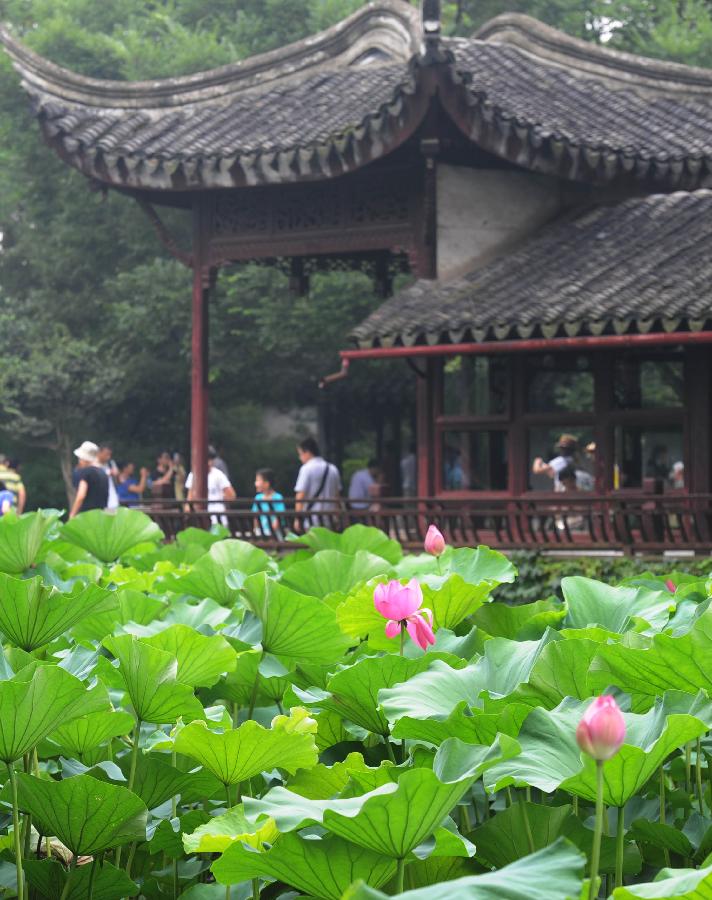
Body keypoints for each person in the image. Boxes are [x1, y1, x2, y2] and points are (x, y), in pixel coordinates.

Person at [294, 437, 341, 530]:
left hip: (312, 519)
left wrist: (297, 519)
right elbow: (337, 496)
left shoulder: (306, 469)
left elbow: (300, 495)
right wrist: (337, 516)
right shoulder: (333, 469)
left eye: (300, 454)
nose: (300, 458)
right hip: (330, 519)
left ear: (307, 452)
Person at [185, 450, 236, 524]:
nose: (208, 463)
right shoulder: (193, 475)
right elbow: (190, 496)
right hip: (199, 516)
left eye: (210, 460)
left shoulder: (218, 475)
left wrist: (222, 498)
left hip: (217, 515)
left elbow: (231, 495)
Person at [69, 441, 109, 518]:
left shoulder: (86, 472)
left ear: (84, 458)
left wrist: (72, 514)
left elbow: (81, 495)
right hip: (101, 515)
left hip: (87, 516)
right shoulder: (103, 473)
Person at [251, 468, 286, 537]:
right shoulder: (258, 497)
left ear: (267, 483)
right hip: (262, 531)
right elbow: (256, 517)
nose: (255, 483)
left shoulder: (277, 497)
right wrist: (255, 529)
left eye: (258, 480)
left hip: (275, 532)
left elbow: (279, 516)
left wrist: (271, 531)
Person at [97, 443, 119, 511]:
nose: (108, 457)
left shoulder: (110, 463)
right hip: (98, 497)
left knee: (111, 517)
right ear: (99, 452)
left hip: (111, 498)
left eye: (110, 454)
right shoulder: (93, 464)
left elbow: (117, 474)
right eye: (106, 454)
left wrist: (115, 473)